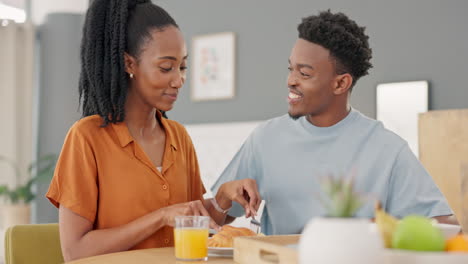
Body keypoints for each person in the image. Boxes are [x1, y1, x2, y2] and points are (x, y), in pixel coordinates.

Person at [211, 10, 455, 235]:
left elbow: (446, 226)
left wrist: (381, 232)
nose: (291, 80)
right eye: (291, 69)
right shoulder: (266, 138)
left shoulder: (389, 149)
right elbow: (210, 221)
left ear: (341, 83)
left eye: (304, 73)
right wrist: (222, 198)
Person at [46, 0, 251, 261]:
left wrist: (222, 199)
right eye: (166, 68)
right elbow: (75, 251)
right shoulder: (87, 137)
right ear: (129, 64)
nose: (178, 80)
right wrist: (160, 218)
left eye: (182, 67)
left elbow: (191, 219)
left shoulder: (178, 136)